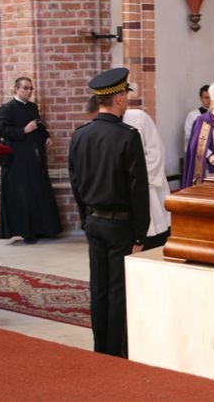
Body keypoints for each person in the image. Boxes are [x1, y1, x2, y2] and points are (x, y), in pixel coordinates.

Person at [68, 68, 150, 358]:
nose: (127, 99)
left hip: (93, 220)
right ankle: (115, 352)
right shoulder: (128, 136)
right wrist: (140, 234)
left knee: (98, 287)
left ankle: (100, 346)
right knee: (118, 290)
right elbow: (138, 189)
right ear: (118, 99)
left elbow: (75, 182)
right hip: (120, 226)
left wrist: (86, 218)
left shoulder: (80, 135)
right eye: (125, 94)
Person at [86, 96, 170, 251]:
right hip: (122, 195)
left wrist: (137, 179)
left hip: (147, 185)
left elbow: (156, 152)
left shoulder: (139, 118)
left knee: (153, 238)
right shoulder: (101, 129)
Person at [0, 76, 61, 243]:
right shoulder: (6, 109)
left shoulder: (32, 107)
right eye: (25, 88)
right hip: (17, 160)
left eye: (31, 88)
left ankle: (42, 229)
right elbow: (2, 130)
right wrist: (23, 130)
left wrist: (46, 136)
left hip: (34, 158)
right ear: (15, 89)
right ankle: (27, 232)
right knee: (24, 196)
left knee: (38, 193)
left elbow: (38, 125)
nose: (29, 91)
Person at [183, 85, 210, 152]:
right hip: (198, 152)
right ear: (201, 99)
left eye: (212, 97)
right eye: (206, 98)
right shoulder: (193, 115)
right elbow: (188, 136)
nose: (210, 100)